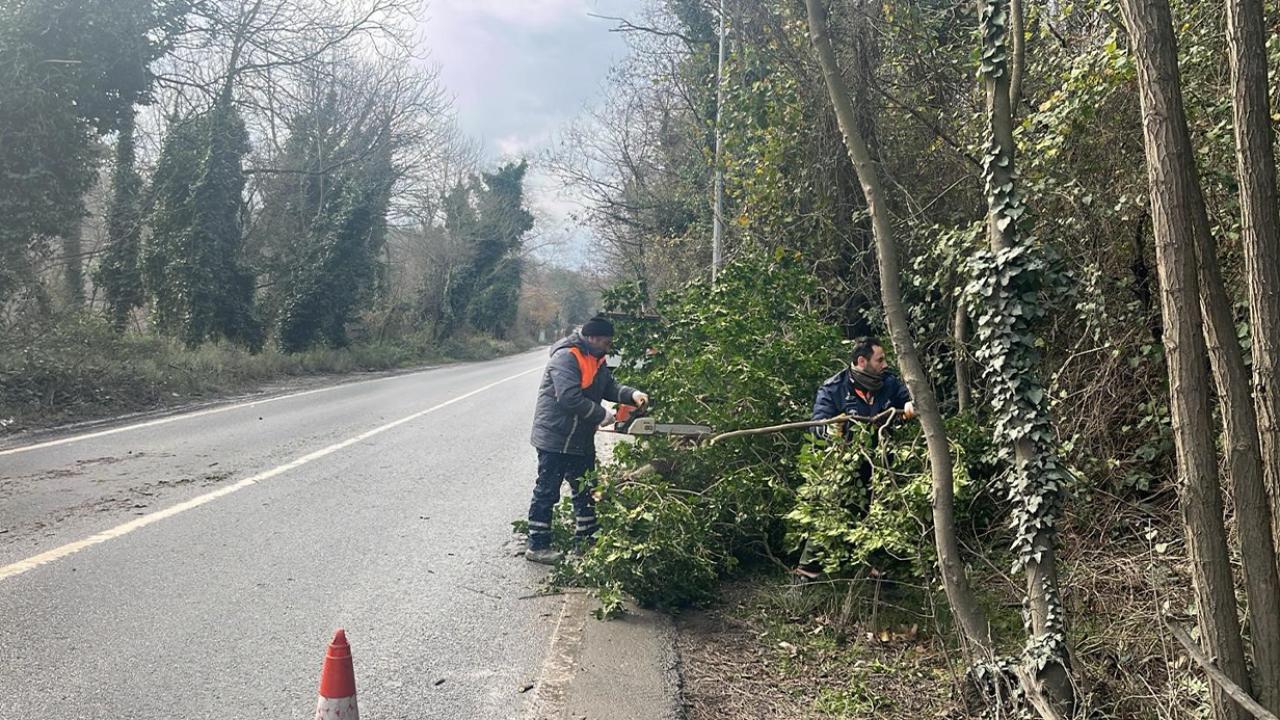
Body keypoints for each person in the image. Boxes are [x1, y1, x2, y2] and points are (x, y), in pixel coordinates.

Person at [525, 316, 649, 565]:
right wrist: (601, 414)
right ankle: (537, 544)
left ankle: (586, 539)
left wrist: (631, 394)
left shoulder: (596, 358)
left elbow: (608, 387)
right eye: (606, 342)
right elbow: (569, 398)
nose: (608, 347)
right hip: (555, 436)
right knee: (547, 490)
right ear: (593, 338)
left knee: (585, 488)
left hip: (579, 437)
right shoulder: (566, 357)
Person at [795, 336, 915, 579]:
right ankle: (807, 572)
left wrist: (910, 407)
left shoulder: (889, 383)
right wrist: (833, 427)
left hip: (881, 463)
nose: (884, 364)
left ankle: (872, 569)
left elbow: (909, 400)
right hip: (844, 466)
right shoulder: (834, 388)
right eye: (879, 359)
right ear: (862, 361)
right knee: (831, 515)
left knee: (879, 513)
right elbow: (817, 426)